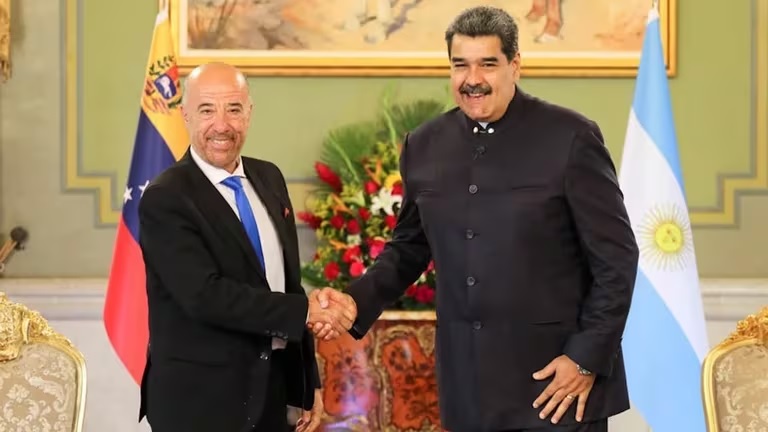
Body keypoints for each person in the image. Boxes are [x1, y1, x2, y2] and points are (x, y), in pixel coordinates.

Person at [310, 6, 639, 432]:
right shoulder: (424, 145)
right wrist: (355, 302)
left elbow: (617, 259)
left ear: (515, 65)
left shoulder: (571, 137)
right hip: (468, 392)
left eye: (488, 64)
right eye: (460, 65)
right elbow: (409, 248)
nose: (473, 79)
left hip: (557, 390)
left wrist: (585, 358)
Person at [137, 62, 355, 432]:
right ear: (186, 114)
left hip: (271, 395)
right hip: (199, 404)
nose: (222, 125)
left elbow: (286, 284)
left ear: (249, 113)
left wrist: (307, 383)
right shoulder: (166, 197)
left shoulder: (268, 177)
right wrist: (307, 311)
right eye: (207, 110)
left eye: (234, 109)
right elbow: (205, 296)